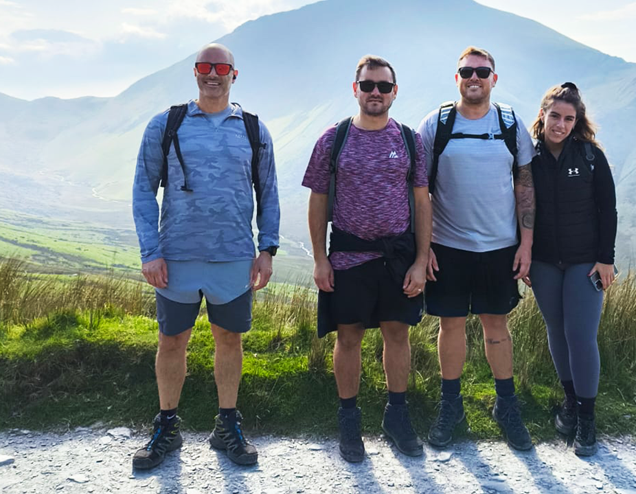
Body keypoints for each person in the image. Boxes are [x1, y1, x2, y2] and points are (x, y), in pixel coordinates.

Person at [131, 43, 280, 469]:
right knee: (171, 341)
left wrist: (267, 249)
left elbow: (268, 192)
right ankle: (166, 428)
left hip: (234, 257)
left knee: (228, 340)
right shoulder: (167, 123)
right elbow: (144, 188)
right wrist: (150, 252)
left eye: (221, 67)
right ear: (194, 71)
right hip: (175, 257)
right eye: (204, 66)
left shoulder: (252, 129)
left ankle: (226, 426)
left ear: (236, 73)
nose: (212, 74)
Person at [303, 55, 431, 463]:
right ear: (355, 88)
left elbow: (422, 202)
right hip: (347, 255)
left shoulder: (410, 140)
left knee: (398, 334)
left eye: (384, 86)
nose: (376, 92)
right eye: (368, 85)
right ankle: (349, 421)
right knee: (348, 337)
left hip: (398, 257)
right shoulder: (333, 139)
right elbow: (318, 199)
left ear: (395, 91)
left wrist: (421, 259)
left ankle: (397, 415)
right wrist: (320, 258)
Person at [417, 46, 536, 451]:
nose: (474, 78)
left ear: (493, 79)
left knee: (496, 327)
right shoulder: (436, 124)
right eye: (466, 71)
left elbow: (525, 184)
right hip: (447, 246)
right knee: (449, 326)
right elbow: (419, 191)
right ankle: (452, 406)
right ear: (457, 78)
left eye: (482, 72)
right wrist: (423, 247)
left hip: (500, 247)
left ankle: (507, 406)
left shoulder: (510, 122)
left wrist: (527, 244)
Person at [525, 82, 617, 457]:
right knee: (556, 329)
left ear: (576, 121)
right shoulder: (528, 157)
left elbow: (607, 209)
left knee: (581, 336)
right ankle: (569, 401)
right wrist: (524, 254)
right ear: (543, 115)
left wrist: (605, 259)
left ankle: (587, 419)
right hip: (544, 261)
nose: (560, 124)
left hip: (585, 263)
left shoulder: (591, 156)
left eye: (568, 118)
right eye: (555, 116)